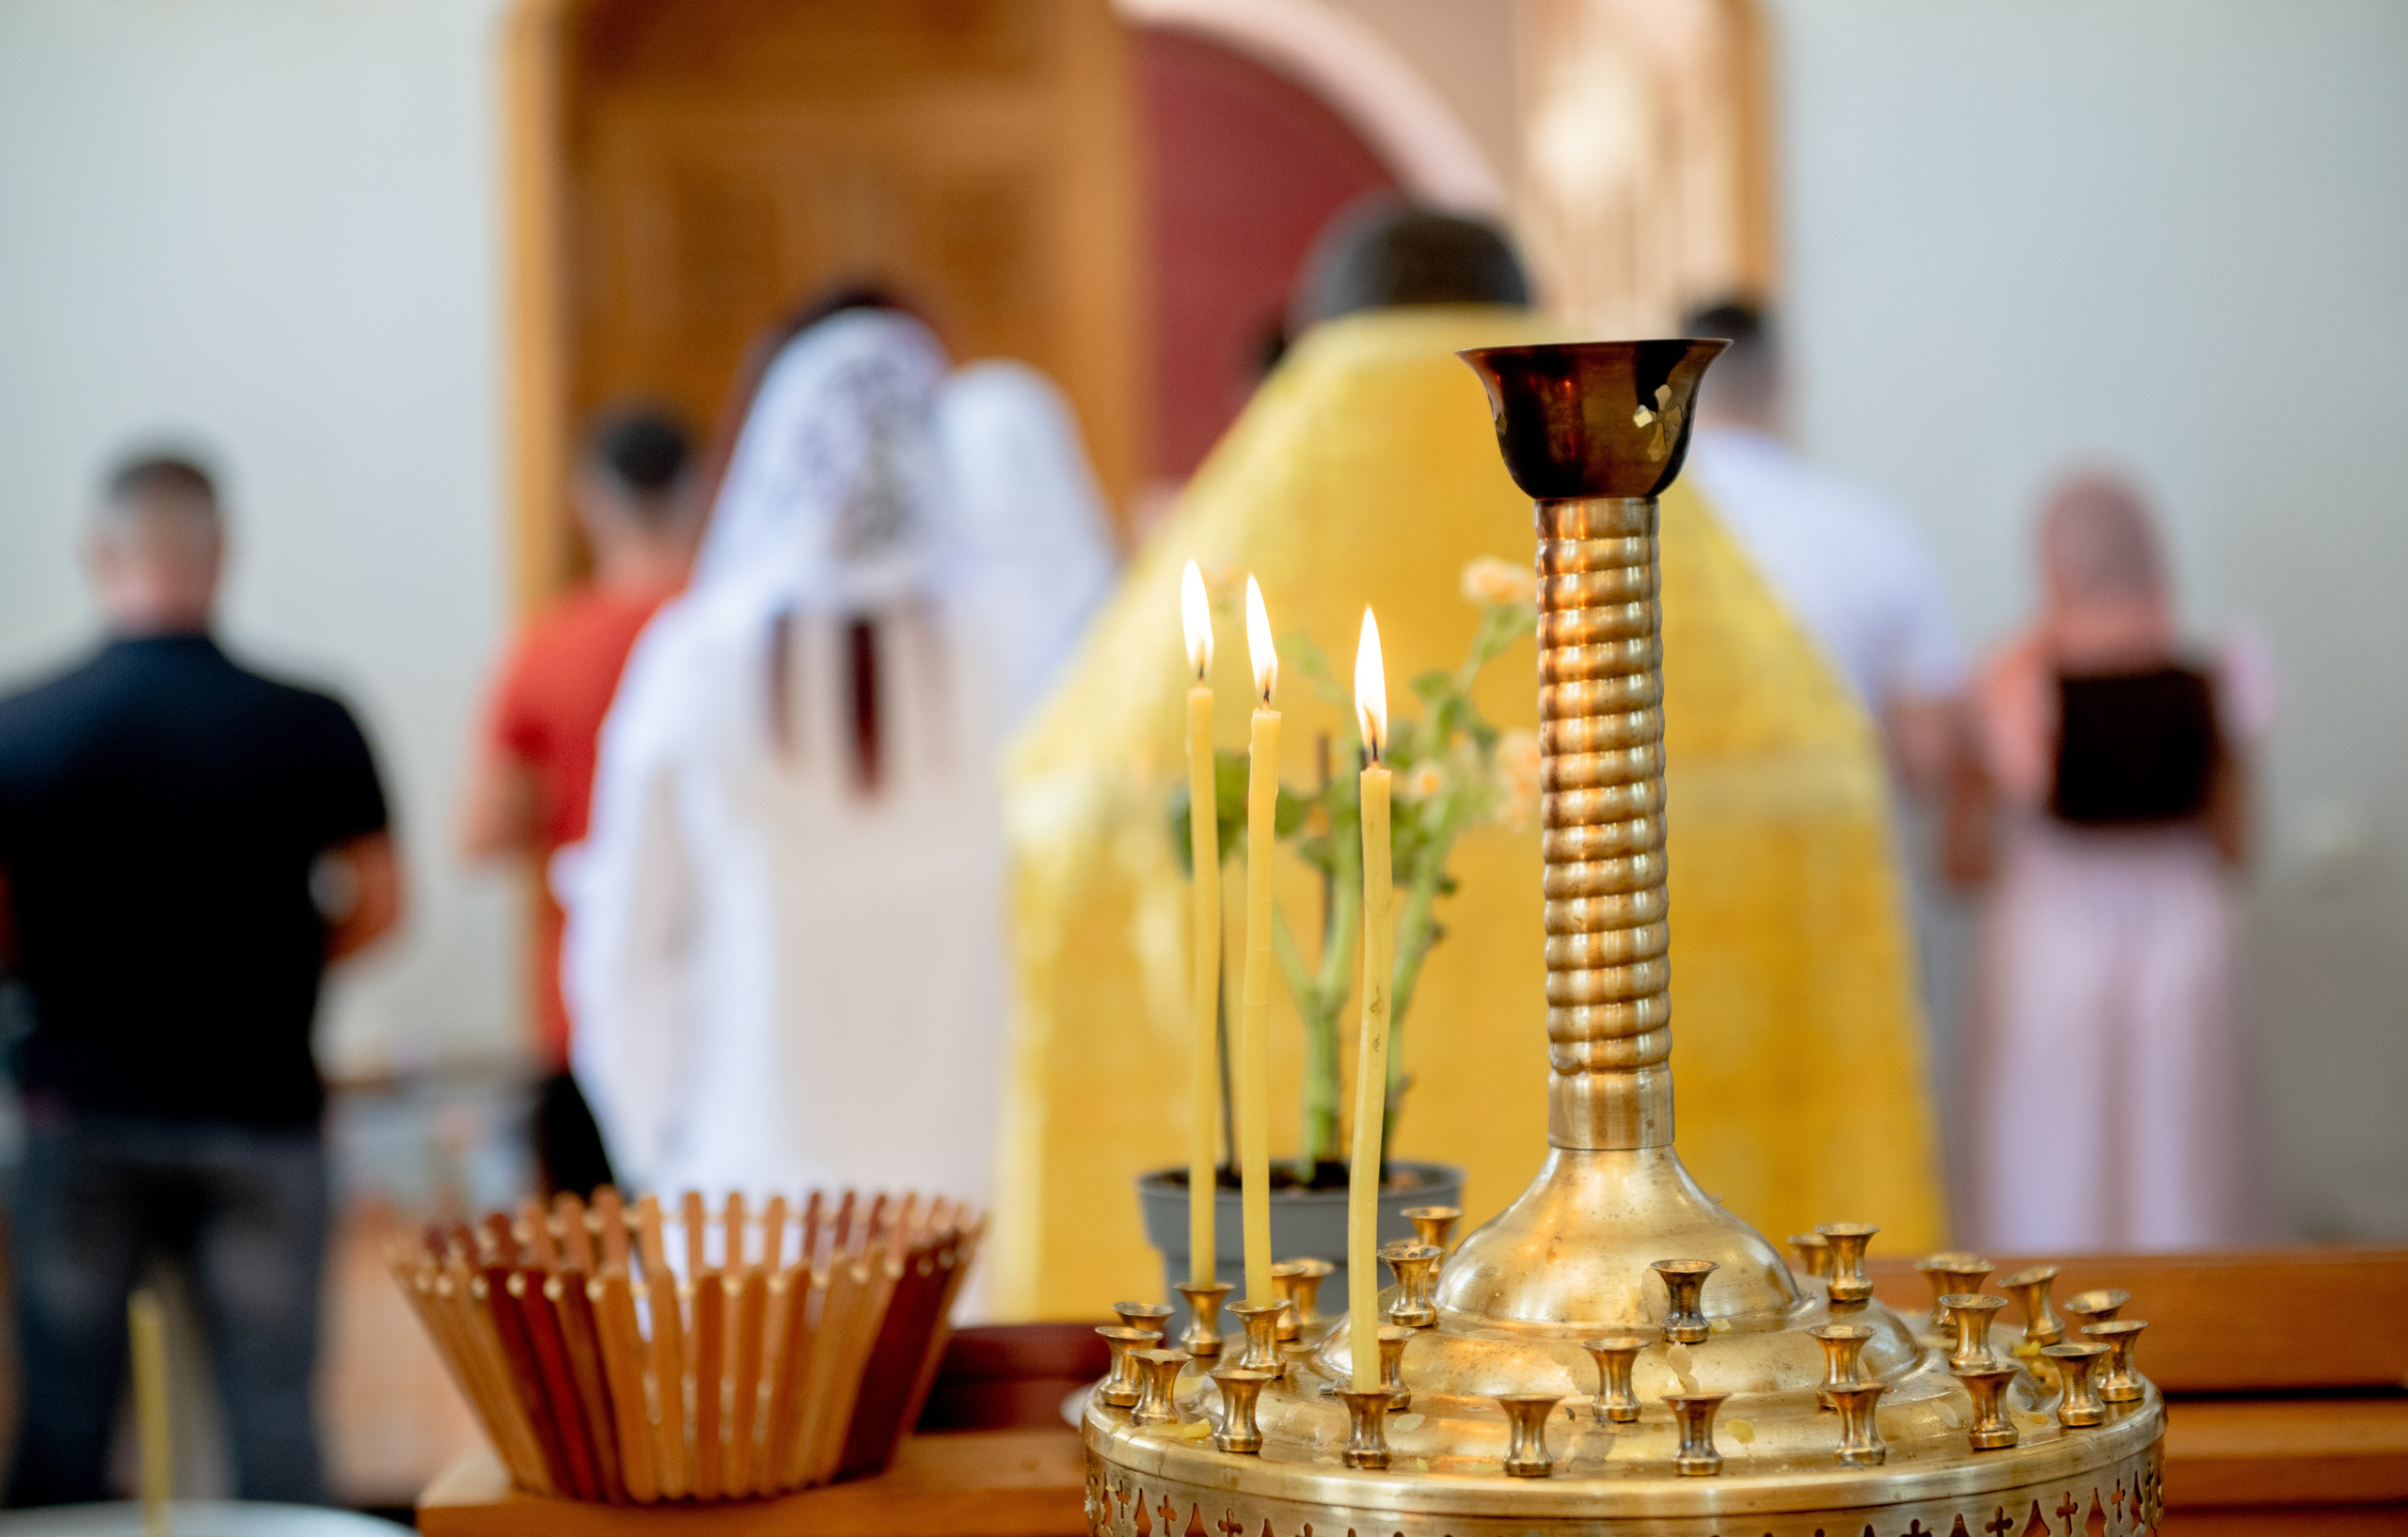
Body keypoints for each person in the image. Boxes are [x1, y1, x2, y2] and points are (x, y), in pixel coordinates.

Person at [993, 203, 1943, 1318]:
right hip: (1669, 1348)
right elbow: (1824, 779)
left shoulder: (1237, 553)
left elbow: (1063, 807)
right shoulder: (1711, 620)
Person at [562, 294, 1117, 1223]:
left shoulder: (700, 653)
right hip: (972, 1184)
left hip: (755, 1182)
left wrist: (659, 1141)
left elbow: (624, 948)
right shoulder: (1014, 644)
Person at [0, 454, 401, 1503]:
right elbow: (379, 899)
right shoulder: (311, 718)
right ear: (220, 552)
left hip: (75, 1108)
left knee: (64, 1429)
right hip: (263, 1107)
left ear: (99, 553)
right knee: (275, 1432)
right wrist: (279, 968)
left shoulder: (23, 723)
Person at [1950, 473, 2269, 1251]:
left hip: (2049, 934)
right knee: (2184, 1153)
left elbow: (1962, 859)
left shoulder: (2011, 685)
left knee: (2046, 1152)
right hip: (2184, 932)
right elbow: (2234, 843)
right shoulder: (2218, 676)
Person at [462, 405, 697, 1198]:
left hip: (584, 1005)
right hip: (721, 997)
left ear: (590, 500)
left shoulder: (548, 645)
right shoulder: (732, 631)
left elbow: (483, 832)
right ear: (702, 493)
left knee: (598, 1291)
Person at [1679, 300, 1965, 792]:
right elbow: (1928, 753)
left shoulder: (1622, 533)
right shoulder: (1875, 530)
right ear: (1783, 382)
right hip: (1840, 849)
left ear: (1673, 389)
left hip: (1675, 855)